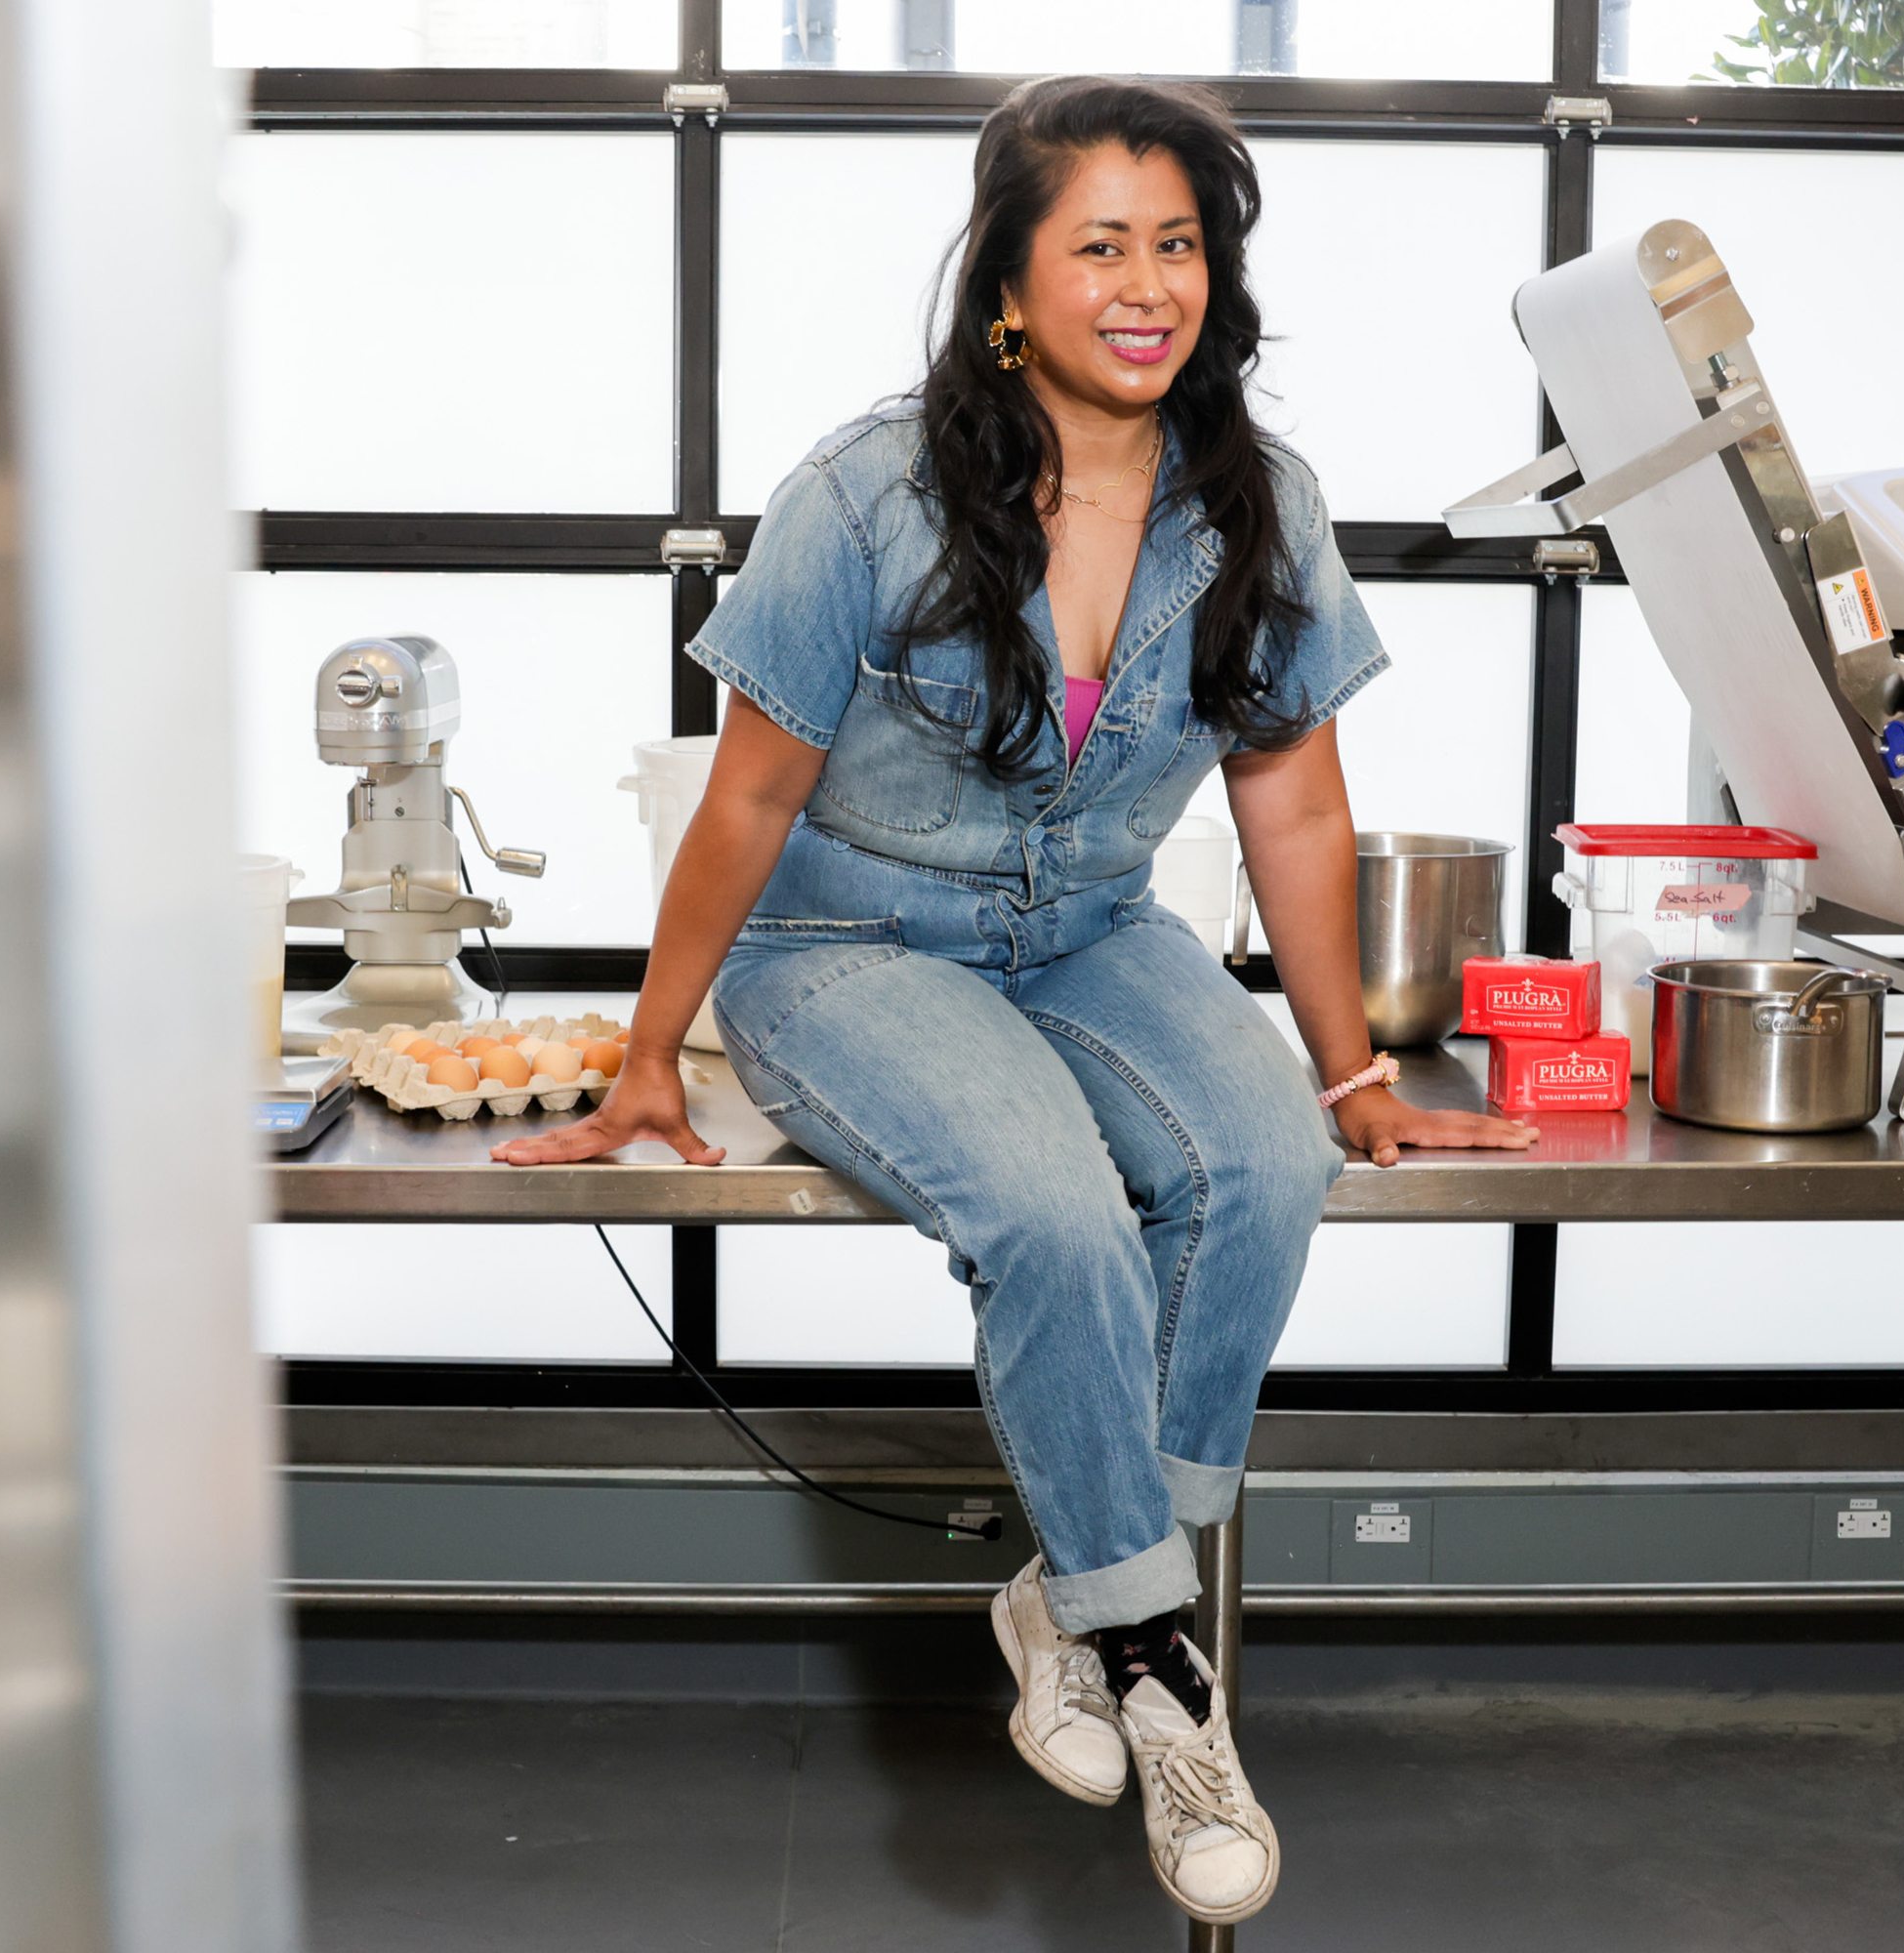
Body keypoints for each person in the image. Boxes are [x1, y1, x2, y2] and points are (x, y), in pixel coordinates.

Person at [489, 73, 1537, 1925]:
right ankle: (1159, 1671)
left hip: (1093, 932)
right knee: (1055, 1217)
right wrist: (652, 1051)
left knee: (1266, 1170)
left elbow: (1289, 791)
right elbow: (747, 793)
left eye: (1182, 244)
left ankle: (1077, 1590)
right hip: (847, 952)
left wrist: (1354, 1069)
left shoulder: (1257, 501)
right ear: (1010, 274)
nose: (1150, 284)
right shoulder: (866, 491)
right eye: (1103, 244)